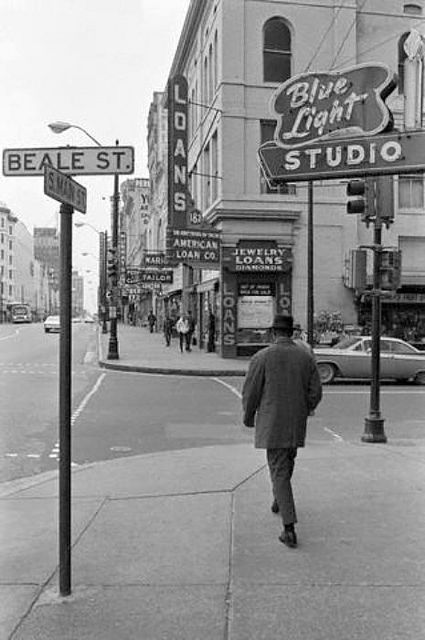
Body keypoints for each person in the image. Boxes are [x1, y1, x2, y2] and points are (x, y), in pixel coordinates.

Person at [242, 314, 322, 549]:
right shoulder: (305, 357)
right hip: (296, 422)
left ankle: (289, 528)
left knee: (278, 469)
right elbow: (316, 391)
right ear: (292, 333)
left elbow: (251, 393)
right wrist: (305, 408)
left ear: (273, 333)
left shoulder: (262, 357)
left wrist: (248, 417)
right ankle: (279, 498)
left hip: (272, 423)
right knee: (287, 462)